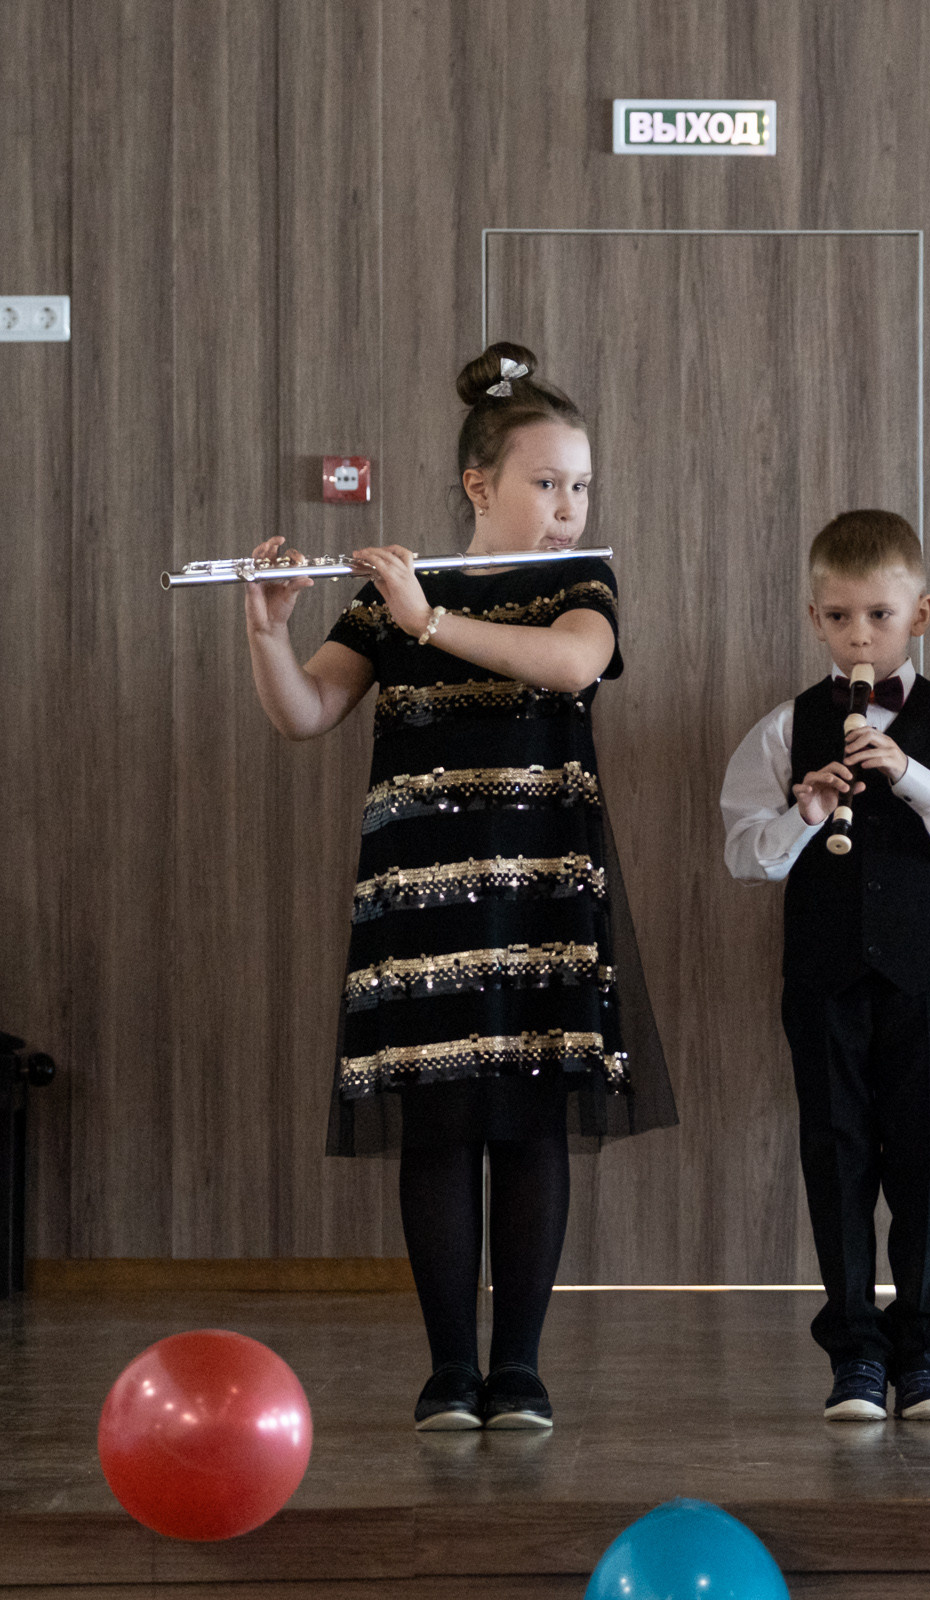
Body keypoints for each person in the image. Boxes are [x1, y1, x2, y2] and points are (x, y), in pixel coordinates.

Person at [243, 342, 675, 1432]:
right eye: (547, 482)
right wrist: (268, 631)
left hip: (538, 898)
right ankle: (448, 1371)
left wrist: (429, 620)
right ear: (479, 486)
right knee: (437, 1128)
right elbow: (305, 713)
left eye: (581, 485)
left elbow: (573, 663)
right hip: (421, 903)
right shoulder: (390, 598)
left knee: (528, 1126)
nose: (569, 507)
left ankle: (518, 1368)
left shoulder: (577, 585)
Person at [720, 510, 930, 1423]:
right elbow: (744, 855)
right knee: (836, 1158)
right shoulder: (787, 727)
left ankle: (924, 1353)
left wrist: (912, 776)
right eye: (841, 617)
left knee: (927, 1166)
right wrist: (805, 813)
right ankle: (853, 1352)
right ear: (815, 619)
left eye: (880, 616)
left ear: (919, 615)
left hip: (924, 980)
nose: (860, 637)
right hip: (825, 978)